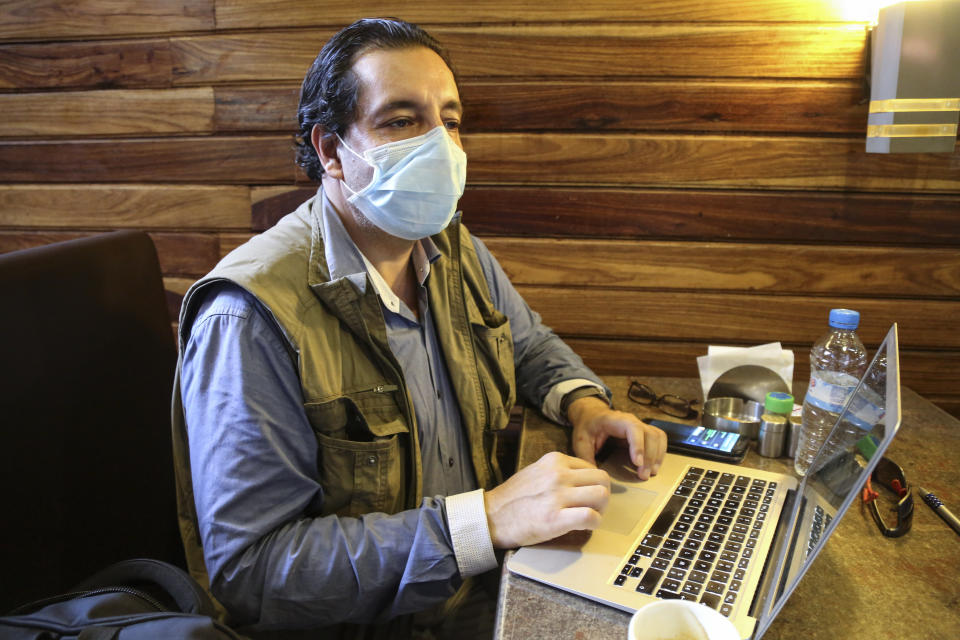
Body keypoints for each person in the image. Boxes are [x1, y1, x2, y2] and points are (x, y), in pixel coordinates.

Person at [171, 17, 667, 638]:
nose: (441, 146)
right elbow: (252, 571)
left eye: (451, 121)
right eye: (401, 121)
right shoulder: (248, 314)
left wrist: (586, 405)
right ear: (331, 152)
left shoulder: (451, 247)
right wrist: (480, 524)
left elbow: (532, 344)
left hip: (482, 589)